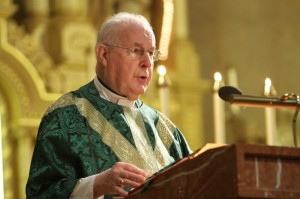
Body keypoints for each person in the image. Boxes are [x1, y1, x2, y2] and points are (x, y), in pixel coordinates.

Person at [26, 12, 192, 199]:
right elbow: (41, 194)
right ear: (104, 54)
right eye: (136, 51)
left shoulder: (164, 129)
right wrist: (96, 185)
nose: (147, 63)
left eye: (151, 53)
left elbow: (197, 183)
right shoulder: (65, 117)